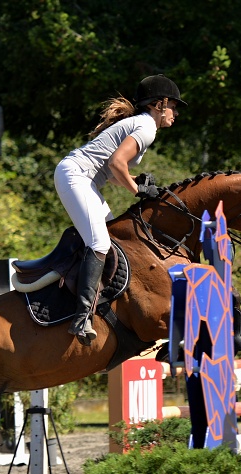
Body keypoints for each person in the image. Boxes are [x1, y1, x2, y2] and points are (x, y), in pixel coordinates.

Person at [55, 74, 185, 346]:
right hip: (75, 175)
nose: (175, 113)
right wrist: (137, 190)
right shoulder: (146, 126)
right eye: (174, 105)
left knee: (112, 241)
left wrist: (136, 183)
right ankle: (81, 317)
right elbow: (116, 163)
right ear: (159, 104)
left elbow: (113, 172)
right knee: (100, 242)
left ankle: (100, 307)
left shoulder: (142, 124)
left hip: (83, 178)